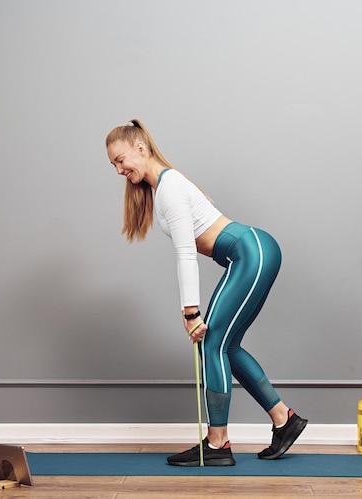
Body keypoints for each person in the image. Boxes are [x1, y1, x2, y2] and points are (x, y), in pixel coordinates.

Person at [105, 119, 307, 467]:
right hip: (252, 252)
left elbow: (185, 252)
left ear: (141, 147)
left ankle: (218, 444)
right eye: (114, 165)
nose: (119, 169)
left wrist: (190, 313)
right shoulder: (162, 187)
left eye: (121, 160)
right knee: (225, 346)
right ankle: (283, 420)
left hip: (250, 253)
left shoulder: (169, 187)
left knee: (209, 343)